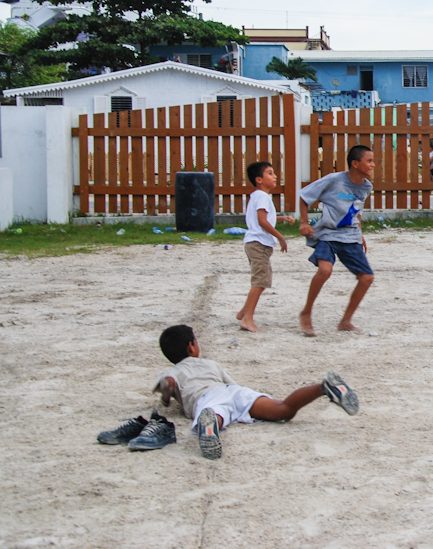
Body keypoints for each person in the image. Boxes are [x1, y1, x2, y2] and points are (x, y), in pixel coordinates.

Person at [152, 325, 358, 460]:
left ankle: (210, 424)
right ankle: (323, 387)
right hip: (232, 391)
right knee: (282, 409)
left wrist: (167, 395)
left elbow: (167, 383)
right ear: (191, 347)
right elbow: (232, 386)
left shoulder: (173, 371)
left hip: (206, 398)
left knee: (217, 414)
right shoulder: (210, 364)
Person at [297, 144, 376, 336]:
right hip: (329, 234)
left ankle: (345, 321)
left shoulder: (366, 186)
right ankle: (306, 312)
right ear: (355, 163)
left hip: (350, 236)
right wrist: (303, 223)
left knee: (367, 278)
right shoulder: (334, 180)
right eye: (369, 161)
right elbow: (304, 196)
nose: (373, 165)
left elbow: (356, 211)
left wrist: (360, 233)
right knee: (325, 270)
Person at [235, 161, 295, 332]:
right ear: (259, 179)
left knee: (261, 279)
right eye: (270, 173)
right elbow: (262, 221)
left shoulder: (256, 196)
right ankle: (247, 319)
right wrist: (280, 237)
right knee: (260, 282)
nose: (275, 176)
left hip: (255, 243)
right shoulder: (262, 197)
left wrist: (282, 218)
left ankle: (243, 312)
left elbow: (264, 218)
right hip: (258, 244)